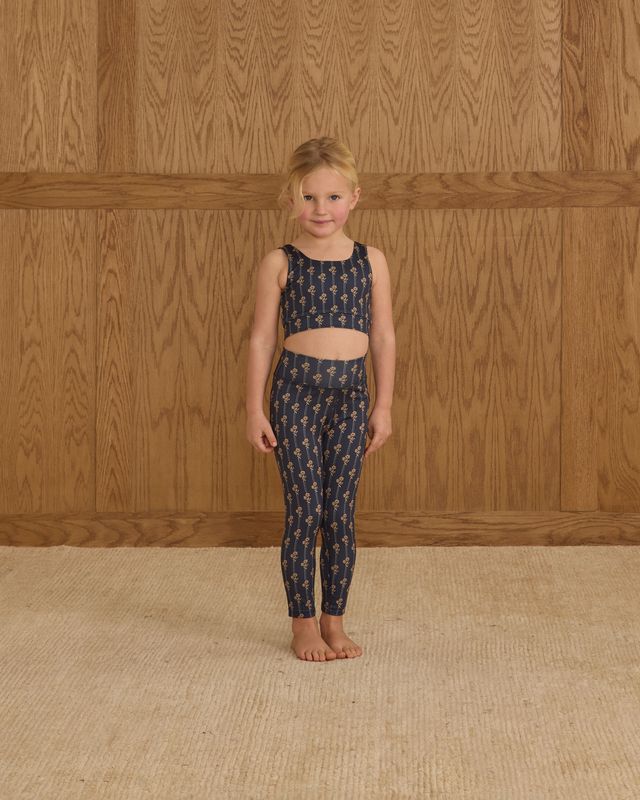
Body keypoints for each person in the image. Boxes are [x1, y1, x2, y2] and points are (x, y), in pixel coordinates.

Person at [245, 136, 396, 662]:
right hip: (296, 395)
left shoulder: (370, 261)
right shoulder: (280, 262)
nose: (321, 209)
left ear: (354, 197)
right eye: (309, 197)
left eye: (332, 197)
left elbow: (383, 336)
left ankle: (335, 619)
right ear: (290, 200)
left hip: (353, 396)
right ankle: (302, 622)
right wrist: (255, 407)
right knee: (305, 509)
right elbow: (262, 338)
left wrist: (384, 405)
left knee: (340, 511)